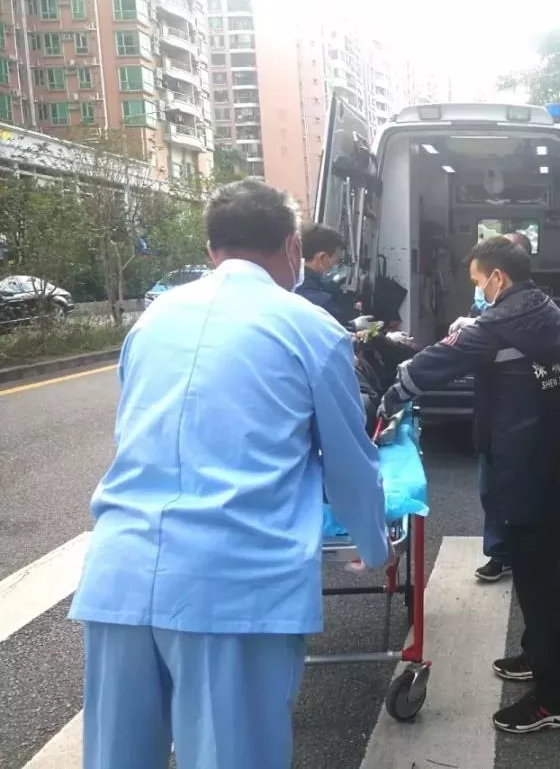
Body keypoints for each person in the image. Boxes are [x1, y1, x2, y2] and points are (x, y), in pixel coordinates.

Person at [68, 180, 391, 769]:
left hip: (119, 577)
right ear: (292, 246)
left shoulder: (154, 318)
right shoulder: (309, 327)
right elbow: (349, 460)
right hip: (232, 586)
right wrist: (374, 545)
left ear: (210, 248)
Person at [381, 236, 560, 734]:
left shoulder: (495, 326)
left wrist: (390, 395)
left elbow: (432, 364)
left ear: (498, 277)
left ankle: (555, 700)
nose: (478, 291)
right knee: (541, 570)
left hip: (524, 468)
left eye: (478, 281)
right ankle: (536, 655)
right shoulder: (547, 310)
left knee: (538, 582)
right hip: (557, 462)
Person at [465, 230, 535, 583]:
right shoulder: (488, 305)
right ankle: (500, 553)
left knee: (518, 492)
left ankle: (523, 555)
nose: (479, 287)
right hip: (491, 415)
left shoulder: (533, 310)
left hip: (519, 421)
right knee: (490, 490)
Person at [294, 221, 359, 328]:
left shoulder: (289, 283)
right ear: (322, 258)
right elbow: (336, 332)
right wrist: (353, 325)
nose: (336, 266)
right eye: (337, 260)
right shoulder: (321, 302)